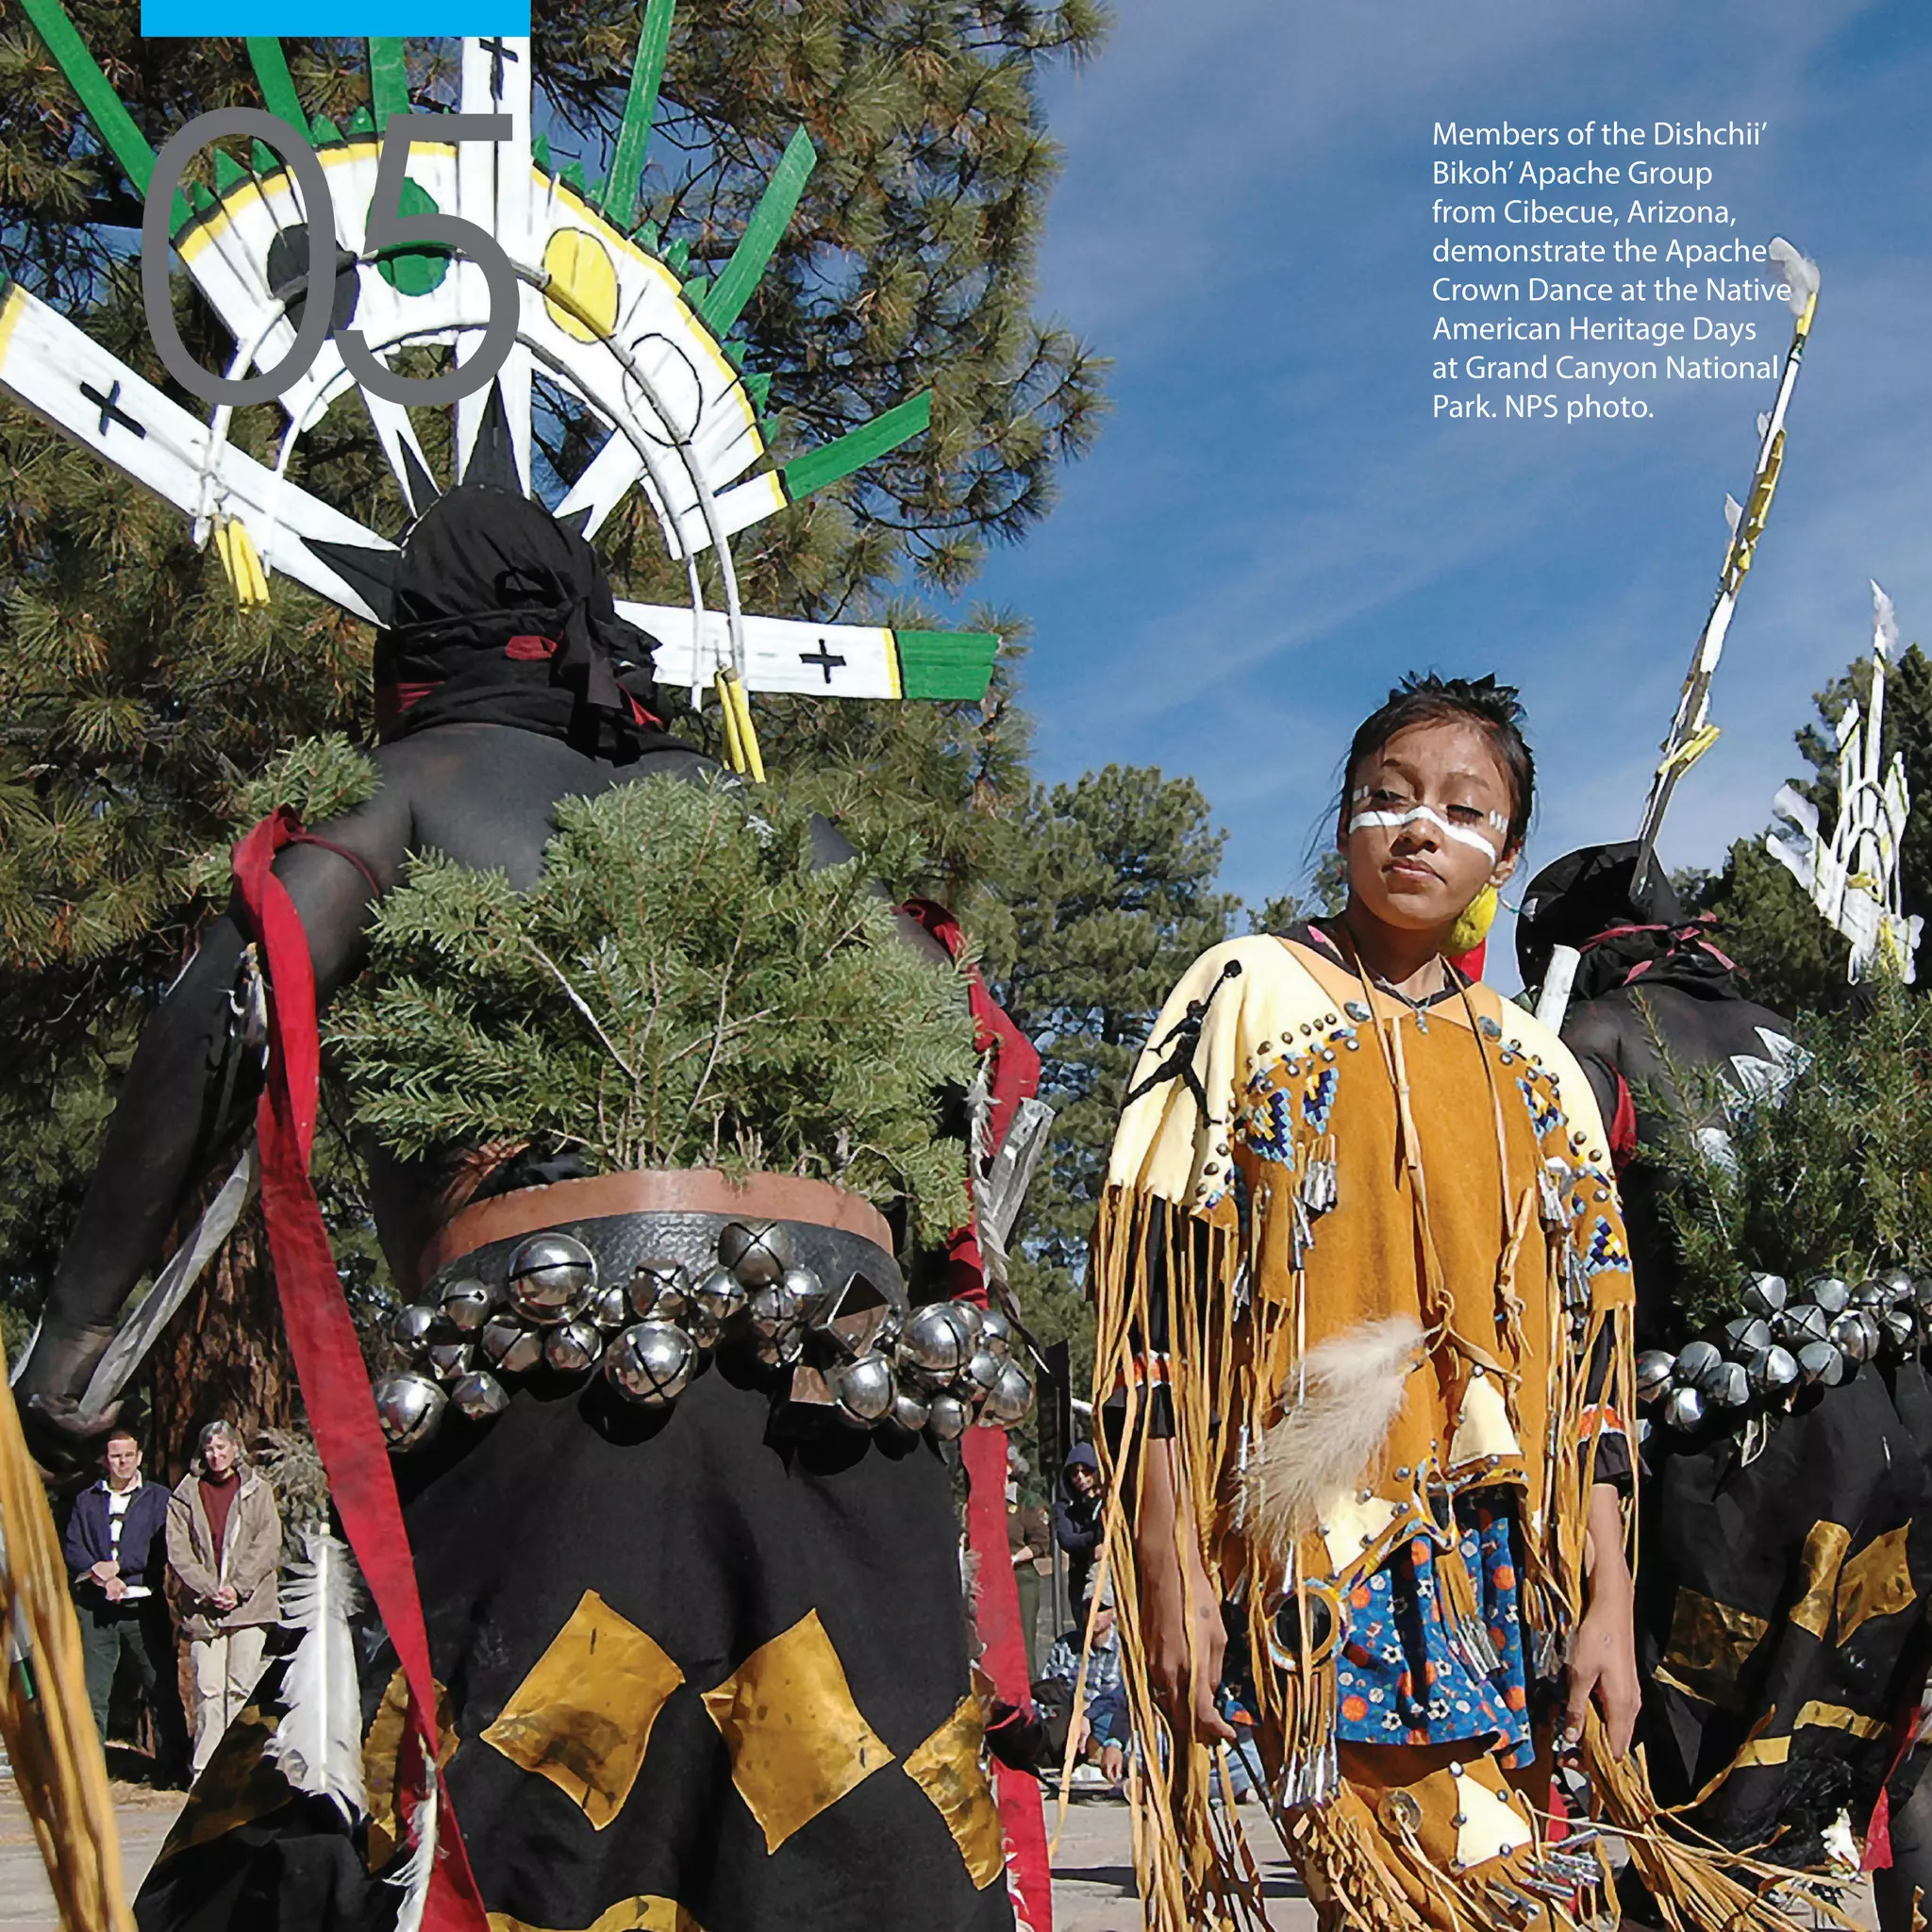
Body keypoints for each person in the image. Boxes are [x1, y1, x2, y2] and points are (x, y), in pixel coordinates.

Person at [19, 486, 1016, 1932]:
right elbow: (957, 1066)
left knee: (499, 1845)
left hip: (562, 1416)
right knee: (845, 1865)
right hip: (834, 1434)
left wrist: (72, 1341)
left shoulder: (422, 785)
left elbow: (222, 1016)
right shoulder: (776, 834)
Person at [1091, 674, 1648, 1931]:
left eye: (1463, 808)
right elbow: (1147, 1323)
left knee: (1508, 1901)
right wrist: (1172, 1575)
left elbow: (1595, 1369)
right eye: (1386, 798)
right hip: (1314, 1560)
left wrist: (1609, 1603)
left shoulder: (1538, 1066)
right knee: (1388, 1901)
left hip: (1506, 1573)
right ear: (1340, 820)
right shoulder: (1245, 994)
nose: (1418, 829)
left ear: (1503, 852)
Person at [1517, 845, 1932, 1916]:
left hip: (1729, 1470)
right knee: (1877, 1764)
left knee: (1699, 1785)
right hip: (1890, 1436)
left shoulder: (1591, 1041)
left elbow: (1549, 1262)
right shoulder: (1812, 1049)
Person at [61, 1427, 189, 1784]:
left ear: (140, 1458)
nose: (122, 1462)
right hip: (96, 1609)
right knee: (93, 1691)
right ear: (106, 1459)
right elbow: (73, 1546)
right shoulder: (87, 1500)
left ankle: (173, 1770)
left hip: (143, 1608)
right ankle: (87, 1774)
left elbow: (166, 1546)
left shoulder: (158, 1499)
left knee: (160, 1687)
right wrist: (97, 1572)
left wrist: (122, 1570)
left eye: (129, 1455)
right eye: (115, 1456)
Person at [165, 1420, 282, 1774]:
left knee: (241, 1689)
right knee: (208, 1690)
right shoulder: (185, 1494)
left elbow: (268, 1542)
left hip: (249, 1605)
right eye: (210, 1449)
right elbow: (179, 1550)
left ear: (235, 1449)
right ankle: (205, 1772)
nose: (216, 1456)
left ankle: (242, 1771)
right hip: (204, 1610)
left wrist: (237, 1587)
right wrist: (208, 1588)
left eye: (222, 1447)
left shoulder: (256, 1490)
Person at [1040, 1586, 1128, 1790]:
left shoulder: (1126, 1649)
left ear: (1115, 1612)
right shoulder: (1065, 1645)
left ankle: (1096, 1759)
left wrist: (1088, 1712)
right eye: (1089, 1607)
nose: (1093, 1614)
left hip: (1105, 1718)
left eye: (1101, 1608)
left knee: (1116, 1717)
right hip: (1071, 1718)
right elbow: (1047, 1687)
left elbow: (1123, 1699)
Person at [1053, 1442, 1105, 1611]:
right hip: (1081, 1578)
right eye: (1075, 1473)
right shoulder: (1064, 1508)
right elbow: (1068, 1540)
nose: (1081, 1477)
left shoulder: (1106, 1501)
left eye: (1086, 1471)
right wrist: (1096, 1535)